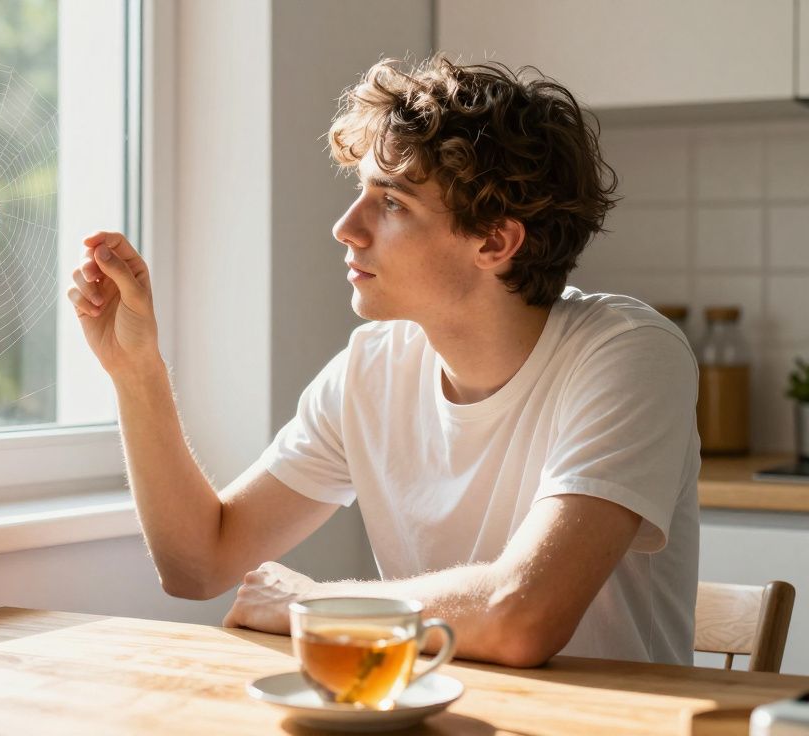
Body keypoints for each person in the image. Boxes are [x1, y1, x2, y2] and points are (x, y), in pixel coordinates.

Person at [65, 55, 698, 668]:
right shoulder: (372, 370)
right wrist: (135, 369)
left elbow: (520, 617)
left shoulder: (629, 354)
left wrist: (308, 604)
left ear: (495, 241)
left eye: (391, 203)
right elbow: (198, 564)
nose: (346, 226)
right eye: (362, 192)